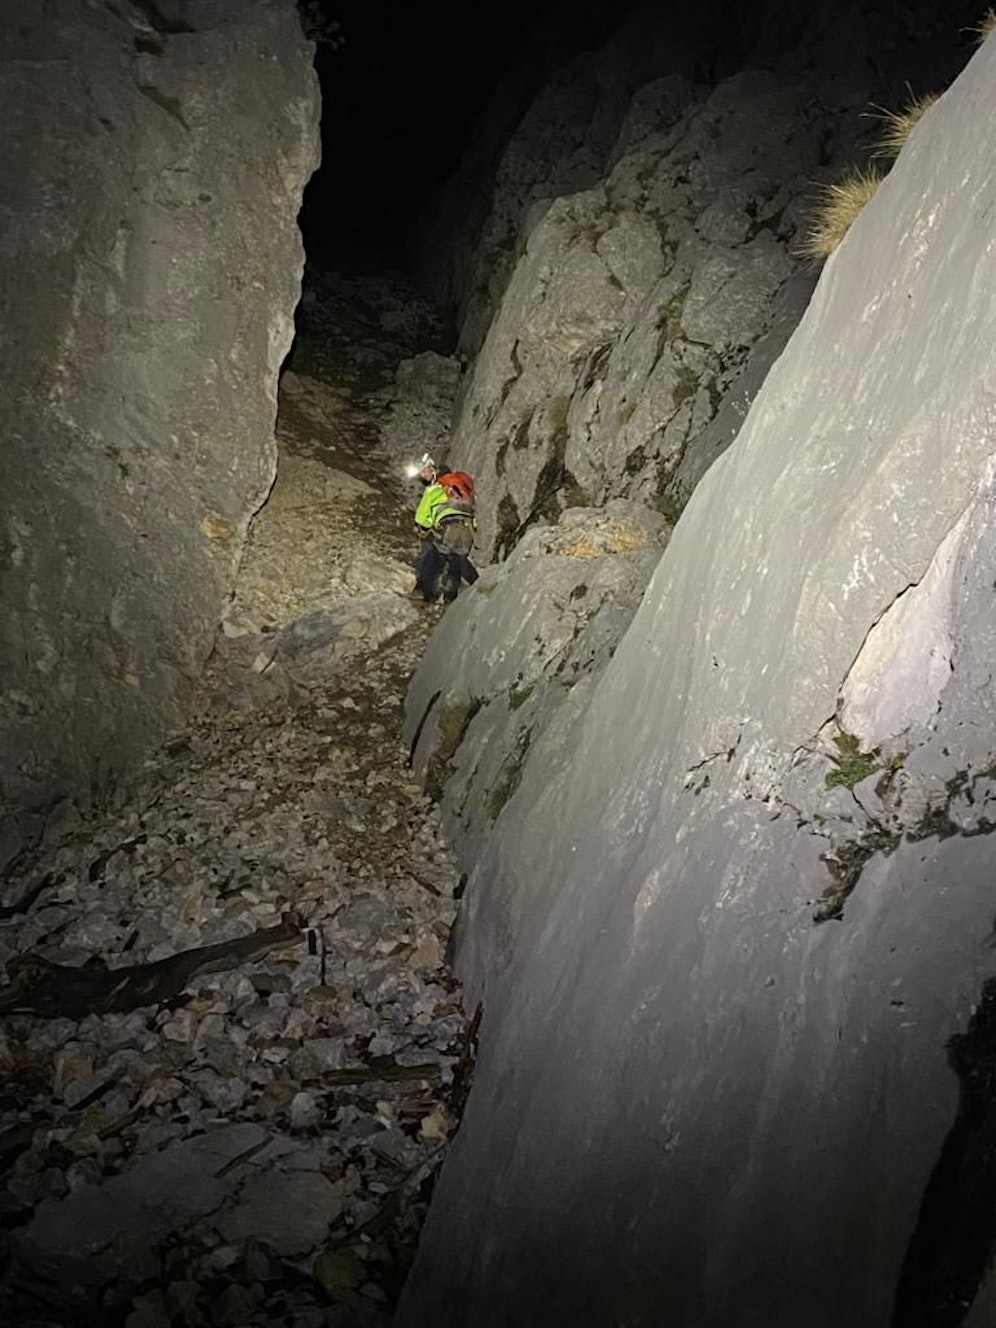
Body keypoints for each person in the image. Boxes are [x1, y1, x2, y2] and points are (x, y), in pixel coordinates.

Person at [413, 466, 479, 603]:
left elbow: (421, 518)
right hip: (467, 529)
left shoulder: (436, 488)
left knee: (433, 556)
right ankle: (451, 596)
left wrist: (424, 528)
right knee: (457, 559)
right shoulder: (462, 491)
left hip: (447, 527)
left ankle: (425, 593)